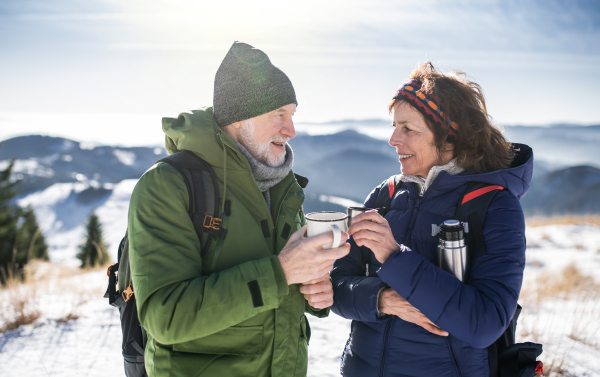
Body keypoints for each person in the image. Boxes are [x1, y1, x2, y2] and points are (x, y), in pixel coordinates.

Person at [128, 42, 350, 377]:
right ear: (238, 118)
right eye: (278, 115)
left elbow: (282, 290)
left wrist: (313, 294)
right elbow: (166, 317)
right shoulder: (167, 185)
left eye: (292, 115)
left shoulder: (282, 187)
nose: (291, 131)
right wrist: (283, 272)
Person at [331, 62, 533, 376]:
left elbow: (484, 323)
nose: (393, 139)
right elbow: (338, 286)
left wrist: (394, 257)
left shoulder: (495, 206)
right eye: (394, 125)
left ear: (449, 137)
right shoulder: (385, 195)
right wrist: (382, 300)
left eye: (408, 129)